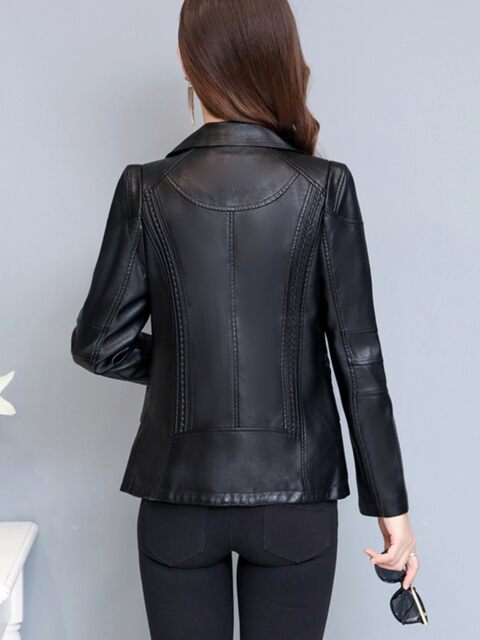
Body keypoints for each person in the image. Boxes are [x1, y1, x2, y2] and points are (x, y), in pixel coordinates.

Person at [70, 1, 418, 638]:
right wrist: (390, 508)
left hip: (177, 499)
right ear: (282, 57)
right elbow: (359, 362)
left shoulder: (145, 188)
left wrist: (186, 365)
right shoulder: (326, 186)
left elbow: (98, 345)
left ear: (187, 61)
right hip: (295, 501)